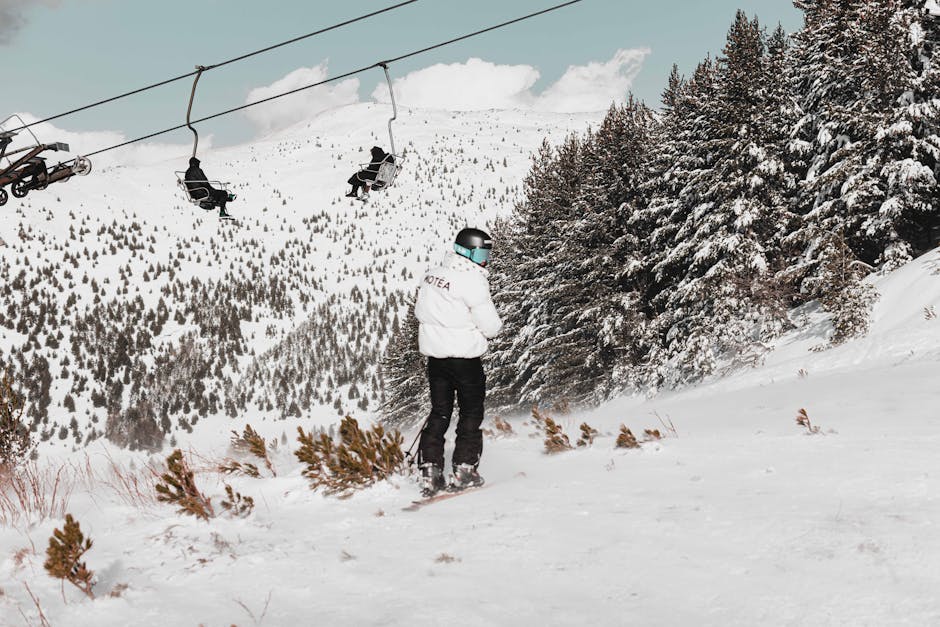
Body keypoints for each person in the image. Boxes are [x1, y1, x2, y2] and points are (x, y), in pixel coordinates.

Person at [414, 227, 503, 496]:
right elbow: (491, 326)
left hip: (436, 359)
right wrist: (472, 330)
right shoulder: (473, 281)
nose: (486, 259)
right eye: (483, 252)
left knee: (440, 411)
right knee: (470, 412)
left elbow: (421, 311)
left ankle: (430, 469)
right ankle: (464, 468)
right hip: (465, 359)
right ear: (469, 252)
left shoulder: (432, 275)